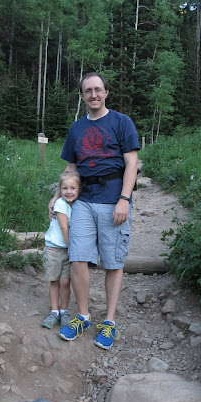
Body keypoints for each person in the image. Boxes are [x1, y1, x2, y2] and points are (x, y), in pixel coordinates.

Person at [49, 71, 140, 350]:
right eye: (88, 91)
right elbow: (71, 168)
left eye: (98, 89)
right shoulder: (77, 128)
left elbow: (132, 164)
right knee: (78, 258)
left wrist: (124, 199)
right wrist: (56, 196)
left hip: (113, 200)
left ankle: (109, 322)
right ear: (82, 96)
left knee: (113, 262)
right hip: (84, 202)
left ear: (106, 92)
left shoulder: (122, 122)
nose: (93, 95)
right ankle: (83, 316)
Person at [41, 171, 81, 329]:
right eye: (65, 188)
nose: (69, 191)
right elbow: (64, 227)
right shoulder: (60, 204)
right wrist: (72, 248)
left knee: (65, 282)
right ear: (60, 189)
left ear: (79, 189)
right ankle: (54, 311)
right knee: (54, 281)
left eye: (73, 188)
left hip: (67, 249)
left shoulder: (76, 205)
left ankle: (64, 311)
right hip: (55, 249)